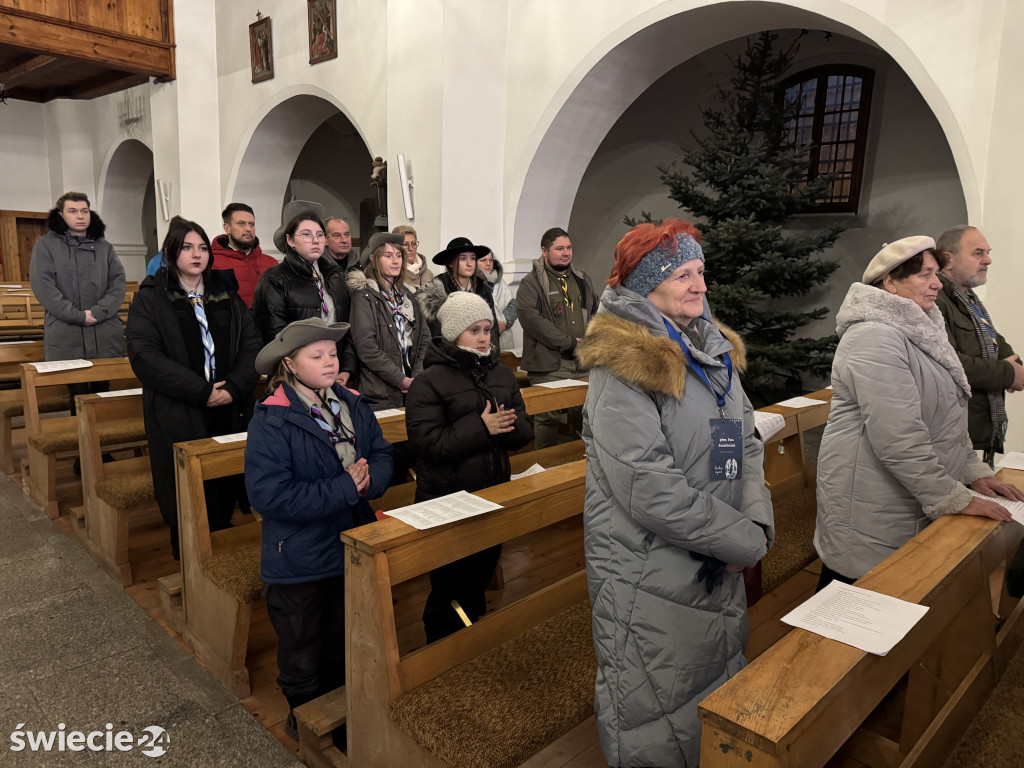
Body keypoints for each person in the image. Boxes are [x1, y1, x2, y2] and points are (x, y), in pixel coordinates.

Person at [577, 219, 772, 768]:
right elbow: (648, 486)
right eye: (683, 274)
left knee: (711, 682)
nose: (700, 286)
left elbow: (740, 447)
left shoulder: (710, 354)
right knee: (651, 703)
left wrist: (751, 523)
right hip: (648, 567)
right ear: (647, 285)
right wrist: (740, 542)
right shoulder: (623, 368)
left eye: (701, 272)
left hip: (714, 555)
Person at [814, 236, 1023, 590]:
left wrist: (972, 472)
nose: (937, 284)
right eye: (925, 275)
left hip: (907, 495)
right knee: (851, 608)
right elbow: (899, 439)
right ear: (890, 282)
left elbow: (947, 418)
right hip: (872, 504)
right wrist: (953, 497)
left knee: (899, 607)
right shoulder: (874, 337)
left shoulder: (922, 331)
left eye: (936, 273)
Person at [245, 317, 393, 744]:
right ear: (290, 364)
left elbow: (381, 453)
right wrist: (345, 487)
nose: (330, 362)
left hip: (353, 542)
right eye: (317, 356)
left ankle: (343, 715)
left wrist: (371, 481)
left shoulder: (351, 402)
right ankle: (304, 717)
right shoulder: (273, 420)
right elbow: (272, 497)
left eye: (332, 354)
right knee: (303, 646)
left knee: (344, 637)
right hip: (300, 557)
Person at [126, 216, 261, 559]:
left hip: (230, 406)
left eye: (202, 248)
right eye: (187, 248)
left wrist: (233, 386)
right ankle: (190, 559)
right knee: (187, 492)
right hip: (180, 409)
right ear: (171, 253)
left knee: (226, 479)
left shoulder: (225, 293)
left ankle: (225, 554)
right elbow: (146, 357)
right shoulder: (151, 298)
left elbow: (251, 344)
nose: (197, 254)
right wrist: (203, 392)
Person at [405, 292, 533, 642]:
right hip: (447, 499)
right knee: (448, 586)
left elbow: (524, 433)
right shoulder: (428, 382)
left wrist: (508, 425)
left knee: (480, 575)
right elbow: (426, 444)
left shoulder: (501, 375)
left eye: (487, 329)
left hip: (491, 493)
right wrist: (482, 427)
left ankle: (472, 647)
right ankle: (442, 653)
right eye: (473, 330)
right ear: (452, 334)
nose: (482, 337)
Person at [935, 225, 1024, 465]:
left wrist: (1015, 370)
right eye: (978, 253)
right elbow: (951, 363)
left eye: (988, 252)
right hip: (952, 436)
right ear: (947, 260)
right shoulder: (936, 300)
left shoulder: (969, 300)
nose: (988, 260)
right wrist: (1007, 373)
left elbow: (997, 344)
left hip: (975, 434)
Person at [30, 191, 127, 411]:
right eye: (72, 211)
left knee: (105, 393)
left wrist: (99, 312)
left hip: (103, 332)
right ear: (61, 215)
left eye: (84, 211)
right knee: (77, 394)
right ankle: (83, 441)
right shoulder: (45, 246)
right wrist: (78, 316)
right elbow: (44, 287)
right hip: (67, 332)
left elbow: (118, 282)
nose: (80, 216)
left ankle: (108, 440)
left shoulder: (104, 247)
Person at [252, 202, 358, 385]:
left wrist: (346, 367)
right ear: (290, 240)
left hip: (334, 371)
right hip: (293, 376)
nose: (315, 240)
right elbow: (275, 334)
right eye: (306, 235)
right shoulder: (275, 278)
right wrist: (301, 371)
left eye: (319, 235)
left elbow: (348, 327)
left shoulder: (334, 277)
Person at [517, 227, 599, 447]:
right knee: (547, 416)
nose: (566, 253)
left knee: (588, 413)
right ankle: (545, 468)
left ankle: (586, 463)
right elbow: (532, 321)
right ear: (544, 251)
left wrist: (592, 341)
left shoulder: (582, 279)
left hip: (582, 361)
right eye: (559, 248)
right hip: (550, 364)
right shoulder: (531, 283)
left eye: (569, 247)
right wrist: (570, 343)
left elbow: (595, 312)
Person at [346, 232, 430, 410]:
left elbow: (424, 338)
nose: (396, 261)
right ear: (374, 259)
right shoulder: (364, 295)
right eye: (388, 256)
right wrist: (399, 380)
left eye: (399, 256)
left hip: (413, 385)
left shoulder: (409, 295)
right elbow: (366, 346)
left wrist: (417, 377)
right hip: (379, 391)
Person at [417, 237, 500, 357]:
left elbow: (493, 327)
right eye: (463, 259)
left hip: (482, 357)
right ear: (451, 263)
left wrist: (491, 357)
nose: (469, 263)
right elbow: (437, 334)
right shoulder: (437, 290)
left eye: (472, 258)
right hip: (451, 359)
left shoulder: (482, 288)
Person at [211, 202, 277, 308]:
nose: (248, 229)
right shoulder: (212, 262)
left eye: (251, 224)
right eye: (241, 224)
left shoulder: (271, 263)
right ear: (227, 228)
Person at [478, 249, 516, 350]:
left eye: (491, 260)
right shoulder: (473, 284)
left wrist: (504, 322)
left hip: (504, 333)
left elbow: (513, 305)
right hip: (482, 336)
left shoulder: (501, 283)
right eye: (483, 260)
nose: (488, 264)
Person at [391, 224, 434, 293]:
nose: (411, 248)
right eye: (405, 244)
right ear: (395, 247)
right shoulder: (393, 273)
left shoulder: (428, 274)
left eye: (414, 243)